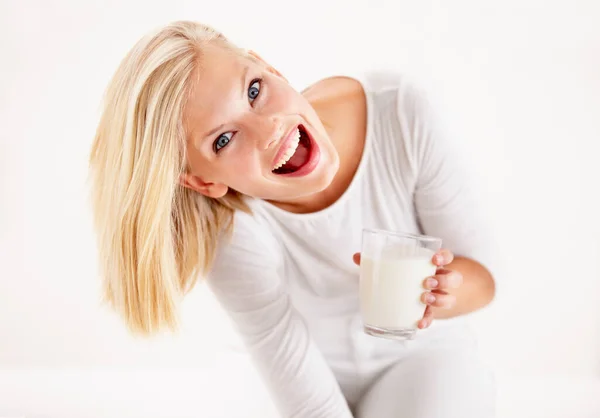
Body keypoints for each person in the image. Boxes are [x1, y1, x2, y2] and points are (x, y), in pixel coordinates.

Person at [88, 20, 498, 418]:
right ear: (202, 181)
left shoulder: (400, 113)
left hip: (423, 358)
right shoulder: (229, 229)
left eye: (254, 90)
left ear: (270, 68)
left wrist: (438, 295)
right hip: (292, 378)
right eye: (224, 139)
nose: (267, 130)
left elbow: (483, 280)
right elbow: (306, 396)